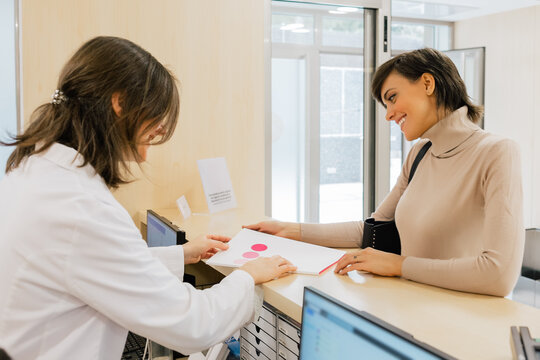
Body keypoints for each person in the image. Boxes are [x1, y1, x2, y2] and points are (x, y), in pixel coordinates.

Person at [0, 36, 296, 360]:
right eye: (152, 133)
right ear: (120, 104)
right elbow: (190, 324)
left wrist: (181, 254)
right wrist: (248, 275)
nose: (143, 156)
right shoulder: (80, 208)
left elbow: (93, 264)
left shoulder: (34, 170)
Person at [246, 48, 524, 297]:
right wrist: (289, 229)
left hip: (465, 323)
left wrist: (399, 265)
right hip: (409, 308)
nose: (389, 114)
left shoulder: (497, 152)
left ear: (428, 83)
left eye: (392, 98)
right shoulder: (420, 154)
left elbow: (498, 275)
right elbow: (371, 230)